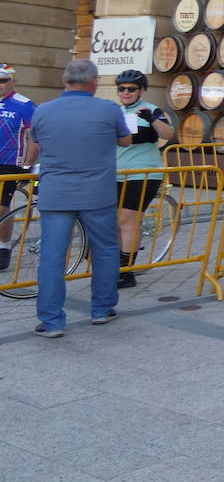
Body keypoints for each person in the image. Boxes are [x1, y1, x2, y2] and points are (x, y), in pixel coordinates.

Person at [27, 59, 132, 337]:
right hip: (97, 194)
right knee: (106, 250)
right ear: (94, 82)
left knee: (52, 256)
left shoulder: (44, 111)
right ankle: (101, 309)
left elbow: (36, 144)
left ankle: (51, 322)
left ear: (65, 79)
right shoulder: (109, 109)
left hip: (56, 194)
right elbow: (125, 141)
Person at [113, 70, 174, 288]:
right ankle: (120, 265)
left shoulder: (151, 109)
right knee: (118, 223)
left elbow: (168, 134)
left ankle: (126, 273)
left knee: (126, 221)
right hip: (117, 173)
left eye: (131, 89)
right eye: (122, 89)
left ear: (142, 90)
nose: (126, 92)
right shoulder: (115, 111)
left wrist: (151, 120)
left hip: (144, 173)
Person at [0, 63, 36, 272]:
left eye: (4, 80)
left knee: (2, 208)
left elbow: (35, 138)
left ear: (13, 81)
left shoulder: (25, 104)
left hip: (10, 163)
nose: (0, 85)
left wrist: (27, 166)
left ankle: (3, 247)